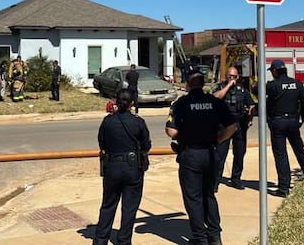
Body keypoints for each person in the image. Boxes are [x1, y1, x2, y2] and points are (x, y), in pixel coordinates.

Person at [165, 69, 237, 245]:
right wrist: (219, 139)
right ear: (203, 84)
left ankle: (200, 238)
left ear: (188, 84)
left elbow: (171, 131)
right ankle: (215, 236)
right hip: (211, 153)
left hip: (190, 155)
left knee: (193, 198)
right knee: (209, 195)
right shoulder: (214, 102)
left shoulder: (181, 103)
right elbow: (233, 126)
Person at [94, 89, 151, 245]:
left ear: (116, 102)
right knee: (129, 208)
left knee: (108, 205)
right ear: (132, 103)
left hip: (112, 166)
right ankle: (124, 240)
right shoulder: (138, 122)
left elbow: (102, 142)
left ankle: (100, 240)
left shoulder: (107, 121)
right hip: (132, 168)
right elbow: (146, 145)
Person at [265, 59, 304, 198]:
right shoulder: (297, 84)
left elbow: (256, 90)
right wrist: (300, 120)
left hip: (278, 122)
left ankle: (284, 188)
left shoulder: (273, 85)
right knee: (299, 150)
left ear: (275, 71)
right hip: (293, 122)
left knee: (281, 155)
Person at [212, 66, 256, 191]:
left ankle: (236, 179)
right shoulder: (220, 87)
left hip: (239, 125)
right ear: (226, 76)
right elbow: (215, 98)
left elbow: (251, 105)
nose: (232, 79)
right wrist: (228, 86)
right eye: (230, 76)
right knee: (220, 155)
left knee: (239, 153)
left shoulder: (242, 90)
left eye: (235, 77)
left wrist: (250, 117)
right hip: (224, 126)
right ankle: (215, 182)